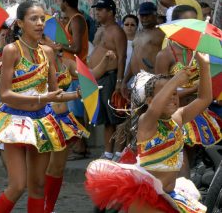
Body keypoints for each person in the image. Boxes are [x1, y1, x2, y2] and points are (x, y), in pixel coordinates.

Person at [0, 1, 78, 213]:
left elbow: (54, 93)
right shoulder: (12, 50)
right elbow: (4, 95)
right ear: (20, 23)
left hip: (41, 122)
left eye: (42, 19)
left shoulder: (47, 52)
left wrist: (77, 94)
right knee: (18, 185)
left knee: (38, 187)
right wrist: (41, 99)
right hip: (14, 122)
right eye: (33, 19)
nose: (40, 24)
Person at [86, 51, 211, 213]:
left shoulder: (177, 118)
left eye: (175, 94)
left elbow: (204, 99)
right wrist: (174, 81)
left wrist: (204, 66)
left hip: (170, 194)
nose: (173, 97)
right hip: (145, 196)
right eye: (167, 93)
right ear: (151, 100)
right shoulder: (147, 122)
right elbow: (154, 108)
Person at [41, 35, 116, 213]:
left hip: (63, 120)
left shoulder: (66, 63)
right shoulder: (35, 64)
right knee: (43, 168)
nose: (55, 41)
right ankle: (39, 206)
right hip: (43, 119)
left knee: (57, 169)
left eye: (54, 38)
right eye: (47, 38)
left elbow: (90, 76)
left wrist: (105, 61)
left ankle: (48, 207)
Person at [155, 5, 222, 178]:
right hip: (175, 116)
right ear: (177, 24)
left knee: (190, 163)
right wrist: (193, 87)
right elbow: (159, 94)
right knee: (181, 163)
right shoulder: (165, 55)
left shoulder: (201, 52)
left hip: (198, 114)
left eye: (195, 22)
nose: (192, 26)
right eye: (187, 22)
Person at [89, 0, 127, 160]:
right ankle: (107, 152)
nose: (97, 12)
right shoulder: (100, 30)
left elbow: (122, 57)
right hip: (99, 78)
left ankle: (119, 152)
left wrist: (119, 82)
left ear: (110, 12)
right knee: (105, 119)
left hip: (111, 78)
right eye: (96, 9)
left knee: (117, 117)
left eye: (101, 9)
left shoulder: (117, 31)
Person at [60, 0, 89, 155]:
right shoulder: (72, 19)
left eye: (60, 0)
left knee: (76, 113)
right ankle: (79, 145)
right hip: (71, 72)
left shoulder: (77, 20)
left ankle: (81, 147)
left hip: (77, 72)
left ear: (66, 2)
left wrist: (59, 47)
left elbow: (77, 48)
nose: (59, 3)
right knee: (72, 112)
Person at [122, 2, 165, 98]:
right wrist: (124, 81)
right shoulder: (139, 34)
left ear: (155, 15)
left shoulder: (161, 33)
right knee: (138, 112)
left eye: (147, 15)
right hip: (137, 82)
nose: (144, 18)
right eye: (142, 15)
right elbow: (133, 59)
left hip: (153, 82)